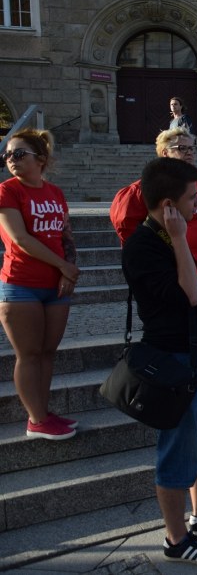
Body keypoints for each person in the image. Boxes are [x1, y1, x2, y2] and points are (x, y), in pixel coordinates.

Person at [122, 157, 197, 565]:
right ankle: (175, 539)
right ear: (168, 203)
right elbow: (189, 293)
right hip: (170, 361)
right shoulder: (143, 246)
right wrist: (181, 238)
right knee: (176, 451)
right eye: (192, 198)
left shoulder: (171, 236)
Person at [109, 127, 197, 404]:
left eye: (192, 147)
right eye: (182, 148)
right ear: (163, 153)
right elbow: (128, 228)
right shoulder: (144, 189)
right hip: (178, 280)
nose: (189, 153)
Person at [0, 129, 80, 440]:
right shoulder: (8, 191)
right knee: (29, 354)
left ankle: (43, 413)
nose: (11, 160)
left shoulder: (55, 194)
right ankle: (35, 419)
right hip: (21, 284)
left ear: (41, 159)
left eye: (19, 154)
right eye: (7, 155)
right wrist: (64, 266)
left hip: (55, 287)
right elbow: (20, 240)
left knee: (48, 352)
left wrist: (66, 268)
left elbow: (65, 235)